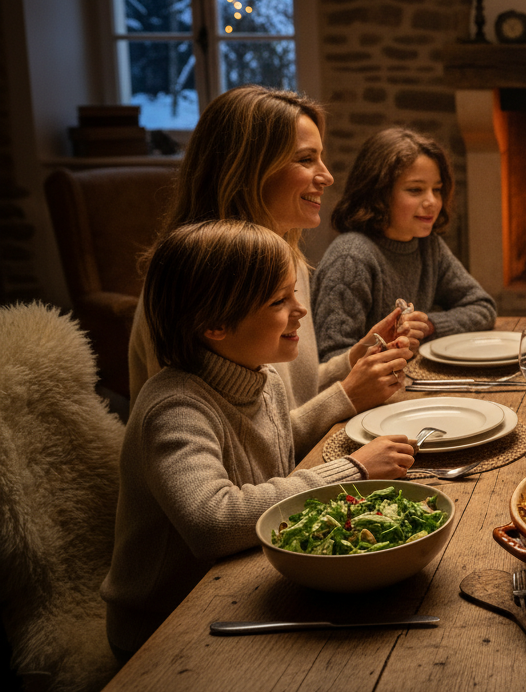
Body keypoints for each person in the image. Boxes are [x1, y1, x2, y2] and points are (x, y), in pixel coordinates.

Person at [102, 220, 418, 659]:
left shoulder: (261, 376)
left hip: (240, 585)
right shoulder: (174, 408)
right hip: (165, 629)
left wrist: (347, 395)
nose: (300, 309)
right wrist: (354, 469)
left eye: (294, 293)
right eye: (279, 300)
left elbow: (277, 438)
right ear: (215, 323)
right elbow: (214, 521)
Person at [127, 85, 429, 444]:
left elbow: (288, 394)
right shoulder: (196, 284)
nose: (327, 176)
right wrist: (346, 396)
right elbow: (247, 451)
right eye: (305, 159)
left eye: (320, 157)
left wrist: (355, 358)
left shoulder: (287, 260)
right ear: (247, 169)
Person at [312, 127, 496, 362]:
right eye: (415, 190)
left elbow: (483, 306)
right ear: (378, 193)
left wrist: (428, 325)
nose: (432, 201)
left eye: (437, 190)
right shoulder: (351, 258)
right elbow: (331, 358)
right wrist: (389, 344)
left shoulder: (429, 246)